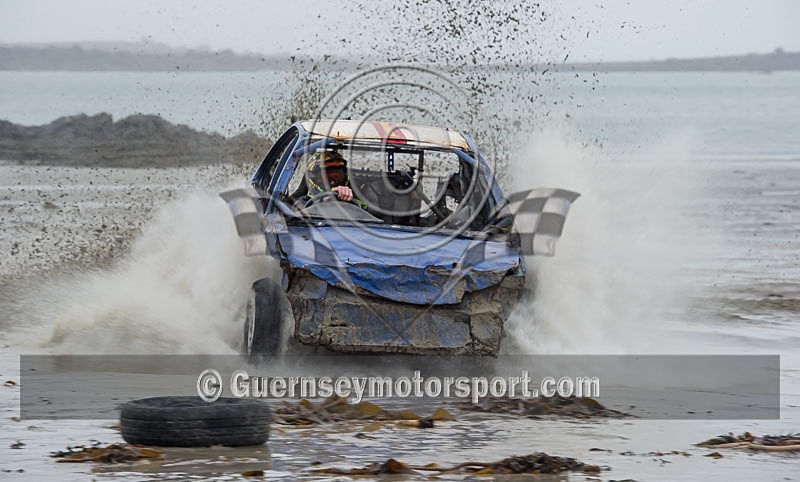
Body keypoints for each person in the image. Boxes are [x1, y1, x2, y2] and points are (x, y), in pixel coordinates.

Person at [303, 150, 368, 210]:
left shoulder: (356, 192)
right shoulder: (303, 200)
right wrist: (325, 199)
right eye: (327, 174)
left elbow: (371, 211)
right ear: (314, 176)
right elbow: (297, 212)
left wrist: (349, 200)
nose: (333, 182)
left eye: (338, 174)